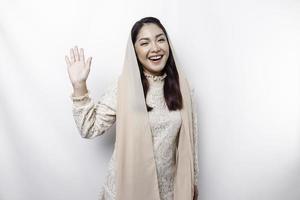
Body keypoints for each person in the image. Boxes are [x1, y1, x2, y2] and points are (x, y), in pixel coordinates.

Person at [65, 17, 199, 200]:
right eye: (145, 43)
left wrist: (192, 186)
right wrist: (79, 85)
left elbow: (192, 144)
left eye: (160, 39)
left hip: (167, 193)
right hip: (126, 190)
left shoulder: (183, 88)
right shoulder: (123, 88)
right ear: (134, 51)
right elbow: (89, 128)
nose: (155, 48)